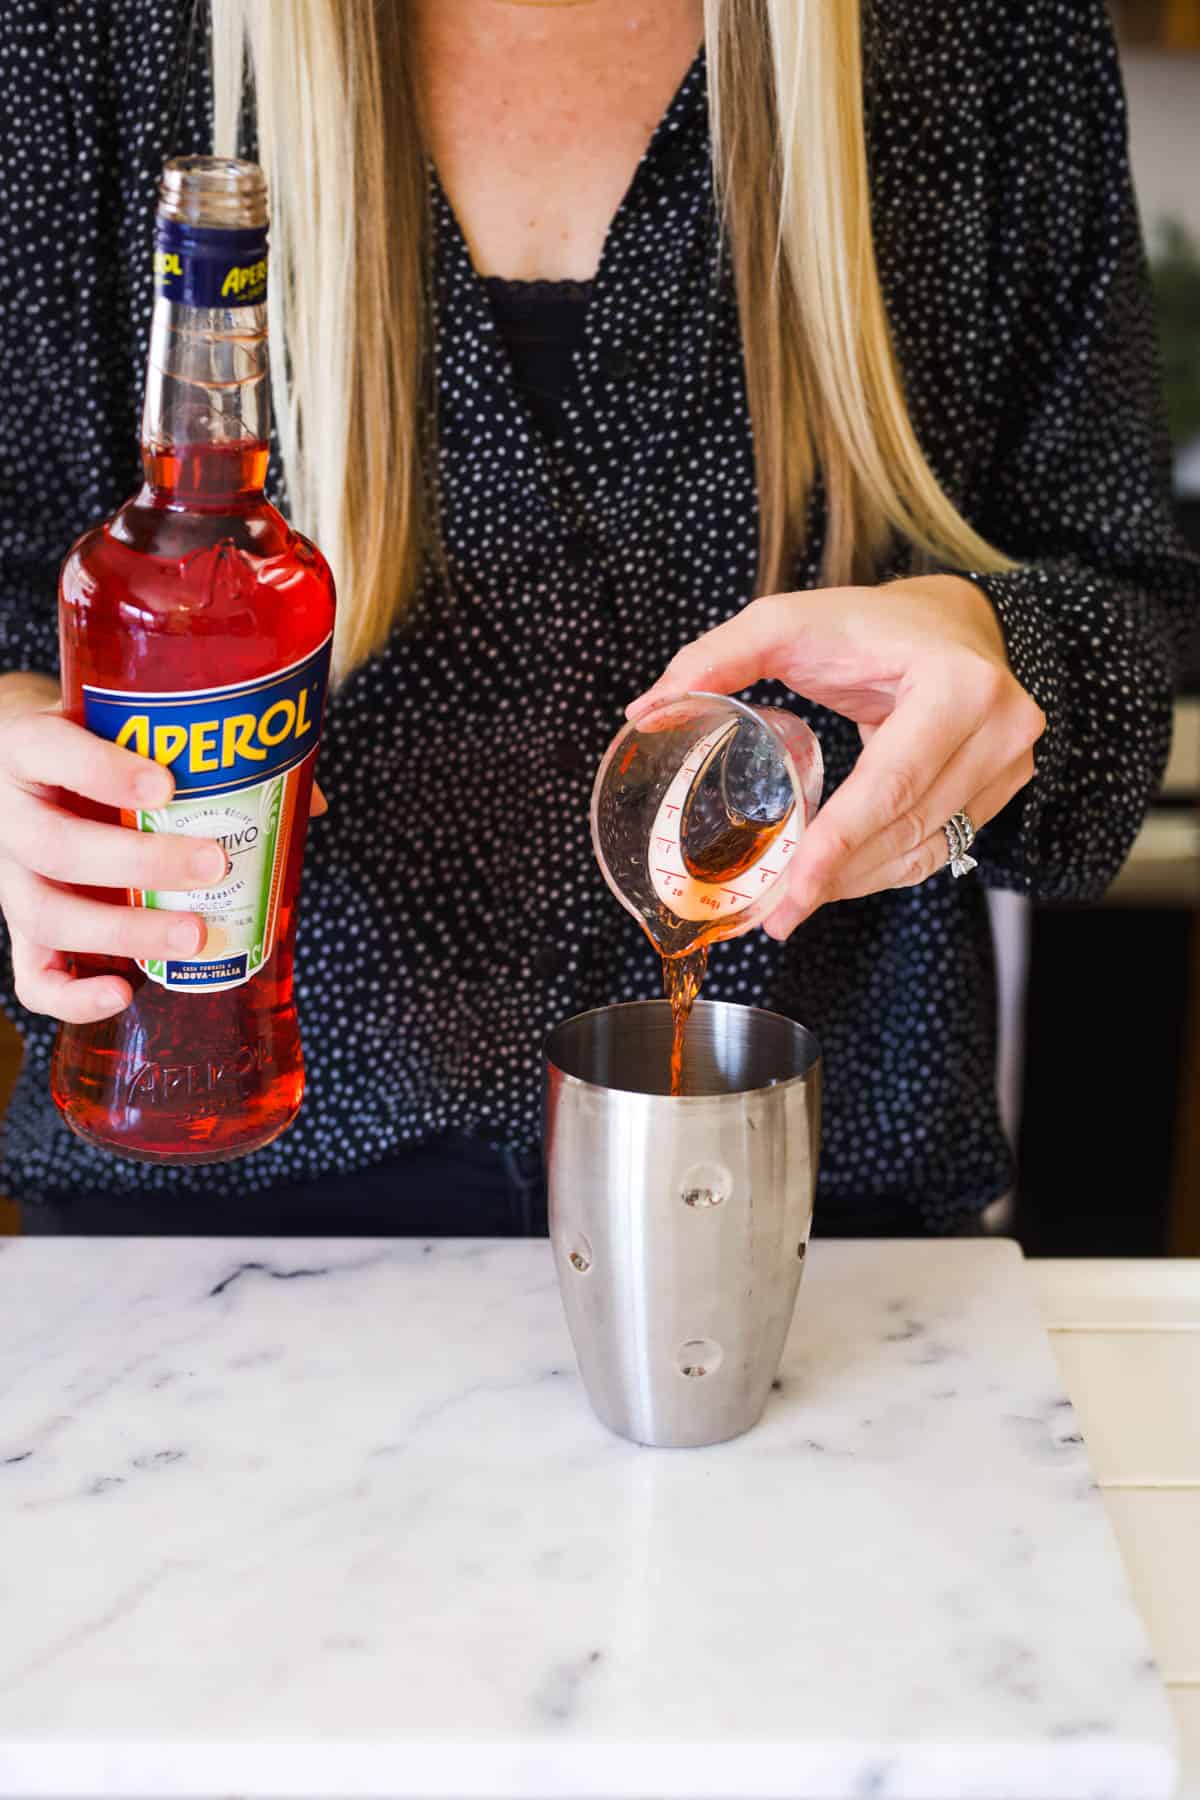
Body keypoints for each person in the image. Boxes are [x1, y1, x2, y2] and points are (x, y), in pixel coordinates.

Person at [0, 0, 1195, 1237]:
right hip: (205, 1207)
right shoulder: (95, 28)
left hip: (799, 1219)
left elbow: (1129, 620)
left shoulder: (992, 33)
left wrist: (1000, 651)